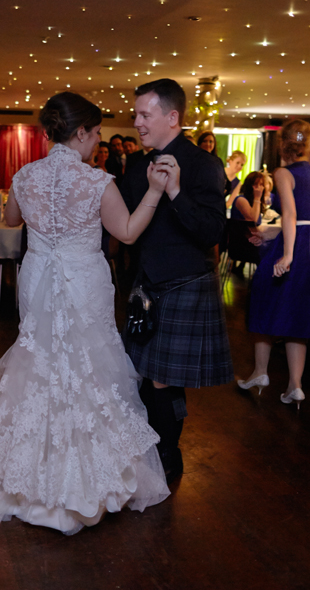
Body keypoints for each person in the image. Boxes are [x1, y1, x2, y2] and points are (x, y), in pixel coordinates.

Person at [0, 92, 170, 535]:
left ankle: (27, 473)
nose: (98, 142)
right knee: (90, 366)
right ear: (80, 132)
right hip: (82, 280)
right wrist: (154, 191)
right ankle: (87, 476)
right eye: (96, 133)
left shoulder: (25, 175)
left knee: (39, 359)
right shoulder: (97, 182)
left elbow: (12, 219)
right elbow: (128, 233)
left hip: (39, 276)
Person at [121, 78, 233, 481]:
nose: (136, 122)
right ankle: (152, 448)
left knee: (163, 378)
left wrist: (176, 191)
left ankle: (168, 454)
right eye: (136, 114)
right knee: (144, 375)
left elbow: (211, 232)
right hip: (144, 284)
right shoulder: (136, 164)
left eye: (144, 114)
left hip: (184, 283)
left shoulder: (203, 164)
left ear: (172, 117)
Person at [239, 121, 310, 408]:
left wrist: (286, 255)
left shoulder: (283, 172)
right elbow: (307, 218)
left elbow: (291, 215)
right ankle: (295, 385)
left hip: (295, 248)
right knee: (299, 318)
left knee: (262, 304)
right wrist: (271, 236)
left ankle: (261, 372)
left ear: (283, 144)